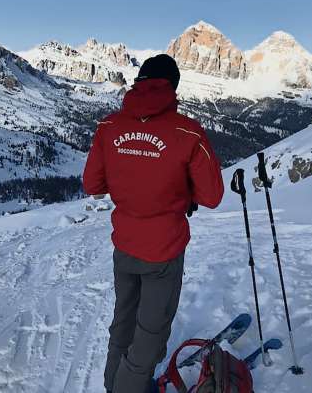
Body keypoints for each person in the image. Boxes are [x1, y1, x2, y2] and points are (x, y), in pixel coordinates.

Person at [83, 54, 224, 393]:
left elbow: (92, 185)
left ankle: (112, 383)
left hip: (124, 244)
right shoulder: (187, 132)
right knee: (151, 331)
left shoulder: (108, 126)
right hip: (164, 250)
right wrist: (183, 192)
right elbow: (213, 195)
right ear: (173, 87)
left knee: (124, 322)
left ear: (138, 82)